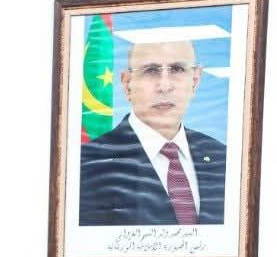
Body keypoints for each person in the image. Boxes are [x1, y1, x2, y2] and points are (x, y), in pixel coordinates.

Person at [79, 39, 226, 226]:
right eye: (150, 70)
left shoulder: (223, 158)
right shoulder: (86, 165)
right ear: (127, 84)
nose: (164, 86)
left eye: (177, 69)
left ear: (195, 82)